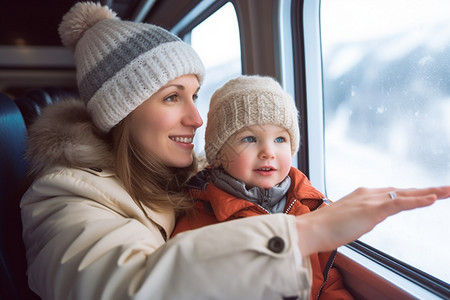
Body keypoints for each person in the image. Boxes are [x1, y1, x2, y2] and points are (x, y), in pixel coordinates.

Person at [19, 2, 450, 300]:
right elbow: (123, 287)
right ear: (122, 113)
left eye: (195, 96)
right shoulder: (65, 198)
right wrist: (307, 232)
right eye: (173, 98)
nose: (197, 118)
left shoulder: (203, 179)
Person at [172, 75, 353, 299]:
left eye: (280, 140)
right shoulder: (198, 217)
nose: (268, 152)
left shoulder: (309, 206)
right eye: (249, 139)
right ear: (218, 154)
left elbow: (326, 281)